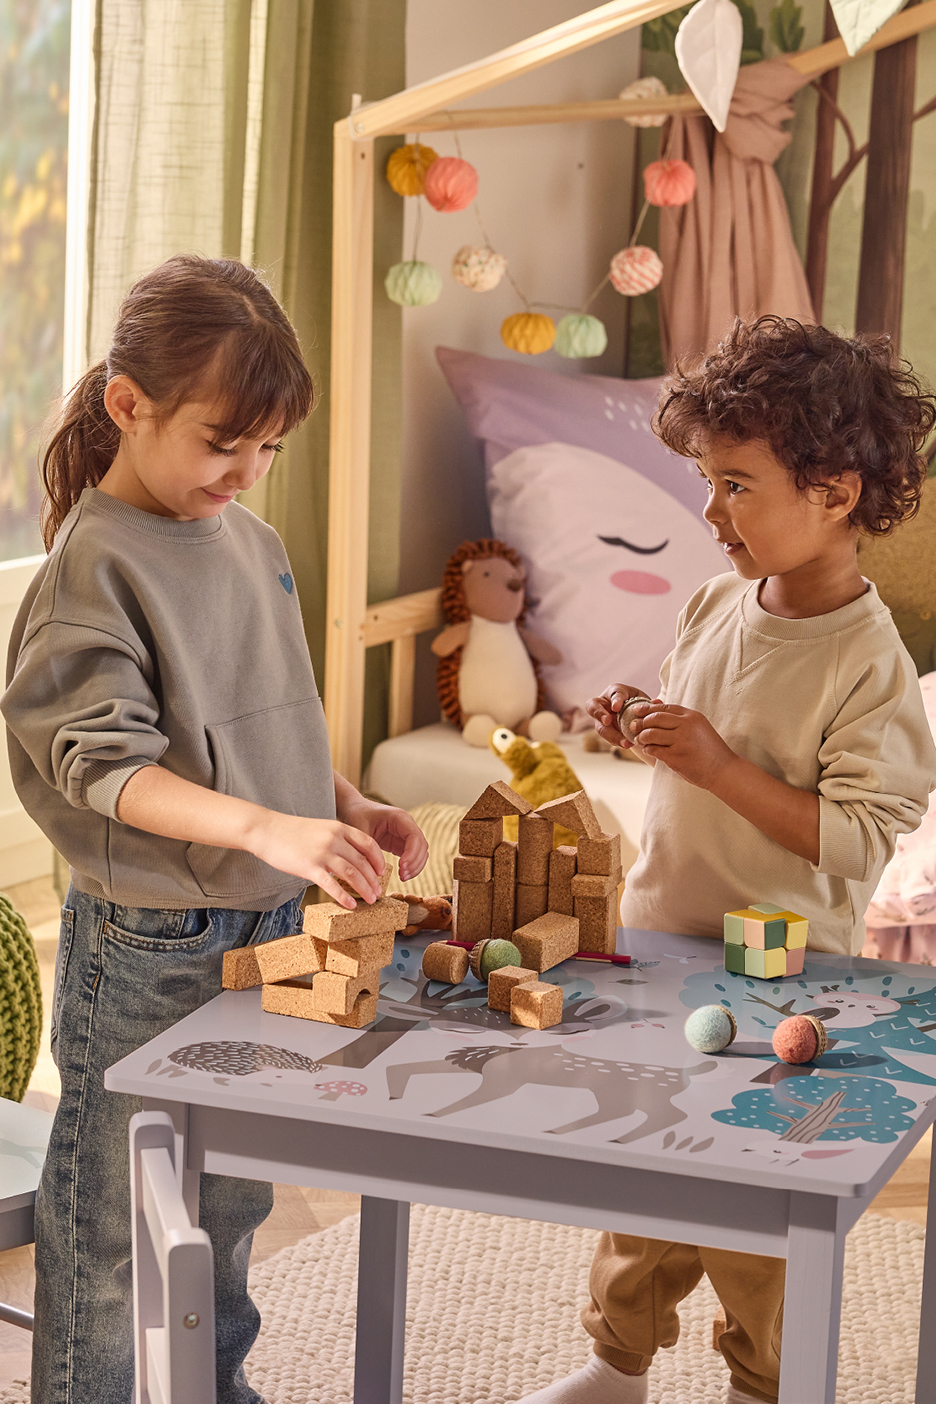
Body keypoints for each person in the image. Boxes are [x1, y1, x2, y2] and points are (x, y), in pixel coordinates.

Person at [2, 254, 428, 1404]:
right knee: (109, 1230)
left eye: (268, 448)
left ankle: (208, 1387)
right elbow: (112, 771)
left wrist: (339, 804)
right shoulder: (94, 570)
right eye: (219, 441)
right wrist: (268, 828)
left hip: (267, 921)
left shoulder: (252, 543)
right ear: (126, 407)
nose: (242, 472)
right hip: (151, 948)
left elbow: (255, 720)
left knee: (230, 1198)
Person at [517, 316, 936, 1404]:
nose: (710, 512)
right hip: (667, 943)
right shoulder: (713, 604)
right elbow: (696, 732)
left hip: (789, 975)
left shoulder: (870, 665)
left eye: (737, 486)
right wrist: (640, 723)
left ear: (836, 493)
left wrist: (711, 765)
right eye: (709, 482)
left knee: (758, 1200)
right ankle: (616, 1365)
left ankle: (767, 1384)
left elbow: (855, 836)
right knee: (647, 1167)